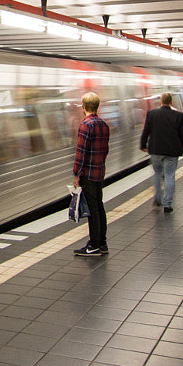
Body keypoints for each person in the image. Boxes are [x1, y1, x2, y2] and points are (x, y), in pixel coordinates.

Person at [72, 92, 110, 257]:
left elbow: (81, 152)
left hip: (88, 173)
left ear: (83, 107)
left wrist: (76, 174)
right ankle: (102, 242)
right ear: (97, 106)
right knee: (99, 206)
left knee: (92, 209)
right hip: (99, 171)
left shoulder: (85, 125)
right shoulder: (103, 124)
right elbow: (105, 149)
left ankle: (94, 245)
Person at [140, 91, 183, 213]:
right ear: (171, 102)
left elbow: (146, 131)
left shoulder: (152, 114)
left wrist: (143, 145)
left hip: (156, 150)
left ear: (160, 102)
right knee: (169, 176)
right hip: (172, 151)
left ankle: (157, 198)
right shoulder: (178, 116)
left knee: (157, 174)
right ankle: (167, 204)